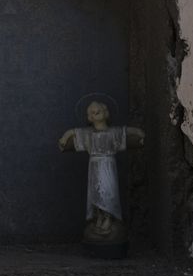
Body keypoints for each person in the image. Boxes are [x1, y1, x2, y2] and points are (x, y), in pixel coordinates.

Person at [58, 100, 144, 249]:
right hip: (94, 166)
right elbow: (73, 132)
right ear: (89, 117)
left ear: (105, 113)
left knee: (108, 192)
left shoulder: (113, 132)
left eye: (97, 110)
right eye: (91, 112)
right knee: (95, 193)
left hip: (108, 166)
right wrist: (64, 138)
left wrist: (141, 133)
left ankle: (109, 218)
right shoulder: (88, 134)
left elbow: (127, 131)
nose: (94, 113)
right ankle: (99, 216)